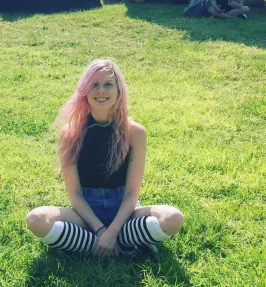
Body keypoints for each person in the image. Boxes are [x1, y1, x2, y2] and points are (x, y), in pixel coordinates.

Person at [26, 59, 184, 258]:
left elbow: (131, 194)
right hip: (85, 213)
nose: (101, 91)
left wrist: (113, 230)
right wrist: (102, 231)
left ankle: (87, 245)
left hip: (124, 211)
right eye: (94, 84)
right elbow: (75, 195)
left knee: (173, 218)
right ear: (85, 91)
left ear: (119, 90)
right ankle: (117, 247)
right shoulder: (69, 133)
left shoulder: (135, 132)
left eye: (108, 84)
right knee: (36, 219)